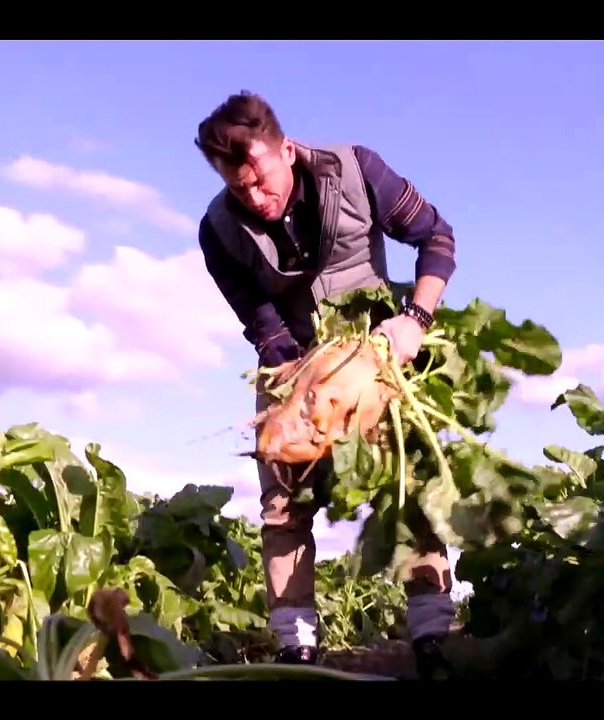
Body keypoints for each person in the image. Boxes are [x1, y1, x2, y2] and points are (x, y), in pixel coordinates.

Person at [194, 91, 459, 679]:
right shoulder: (218, 231)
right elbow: (262, 323)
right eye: (240, 188)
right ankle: (298, 647)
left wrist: (414, 320)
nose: (255, 197)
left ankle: (432, 637)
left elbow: (437, 238)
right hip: (292, 364)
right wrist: (300, 386)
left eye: (262, 180)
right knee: (282, 506)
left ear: (286, 150)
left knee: (408, 491)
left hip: (377, 362)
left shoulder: (358, 171)